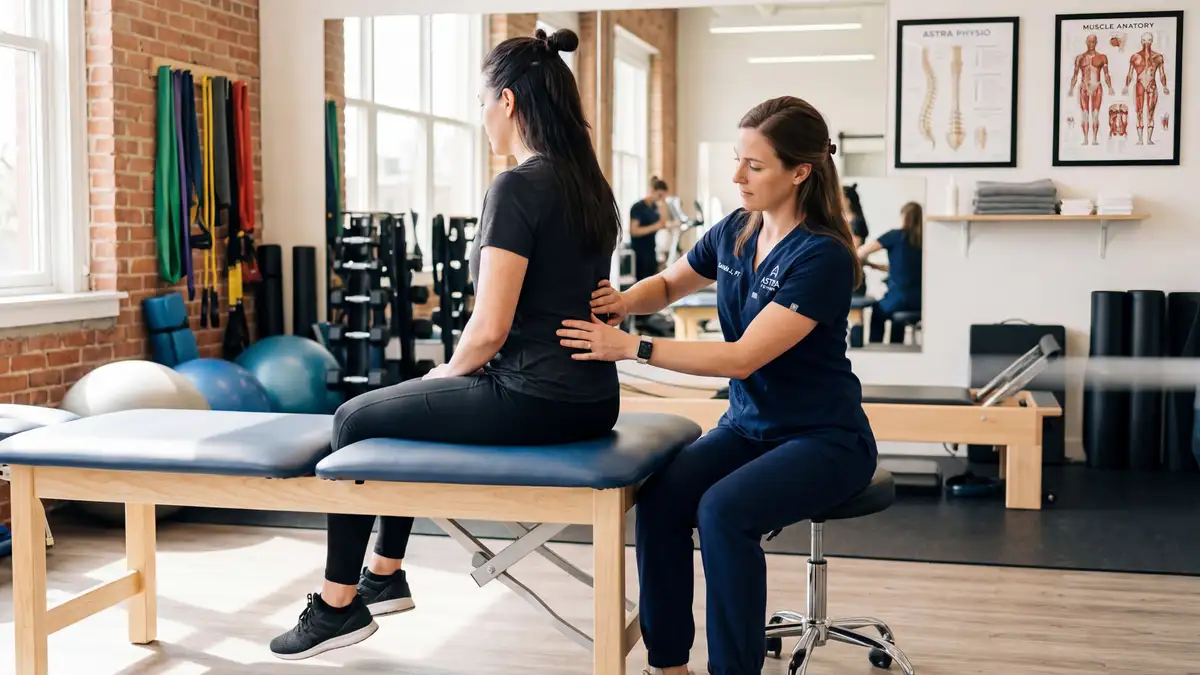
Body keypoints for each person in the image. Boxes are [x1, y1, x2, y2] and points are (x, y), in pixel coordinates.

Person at [269, 27, 623, 661]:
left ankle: (336, 605)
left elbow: (489, 328)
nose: (483, 118)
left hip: (534, 396)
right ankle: (383, 574)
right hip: (592, 397)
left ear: (507, 103)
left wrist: (449, 375)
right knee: (397, 414)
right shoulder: (590, 185)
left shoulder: (518, 186)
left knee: (353, 418)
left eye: (483, 103)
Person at [557, 95, 878, 675]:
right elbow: (667, 283)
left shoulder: (823, 257)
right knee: (660, 503)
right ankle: (668, 662)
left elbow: (743, 359)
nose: (738, 176)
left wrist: (632, 347)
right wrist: (624, 302)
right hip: (748, 428)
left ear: (800, 172)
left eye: (754, 166)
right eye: (738, 160)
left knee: (724, 511)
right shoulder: (734, 230)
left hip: (824, 440)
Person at [857, 201, 923, 344]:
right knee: (895, 315)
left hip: (900, 298)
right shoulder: (924, 240)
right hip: (921, 300)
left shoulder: (895, 236)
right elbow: (903, 267)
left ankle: (875, 347)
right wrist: (874, 265)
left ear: (904, 217)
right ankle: (896, 345)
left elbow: (860, 252)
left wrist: (863, 261)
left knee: (877, 312)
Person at [842, 183, 870, 296]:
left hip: (851, 277)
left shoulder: (856, 222)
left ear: (847, 200)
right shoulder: (843, 221)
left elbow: (854, 250)